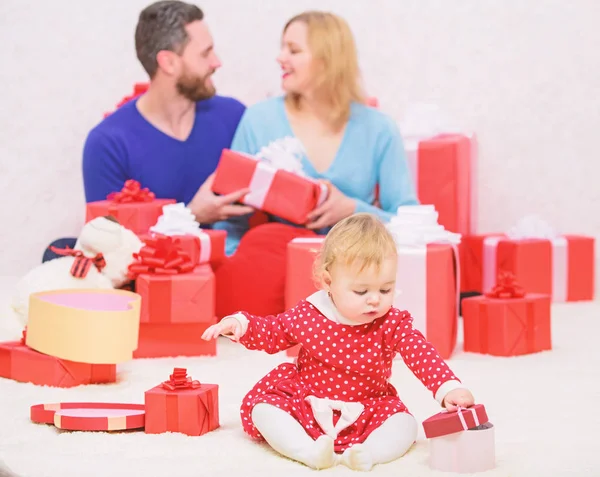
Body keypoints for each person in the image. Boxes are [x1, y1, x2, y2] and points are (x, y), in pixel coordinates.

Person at [203, 213, 475, 471]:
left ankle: (367, 454)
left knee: (405, 425)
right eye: (361, 290)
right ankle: (306, 451)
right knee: (264, 410)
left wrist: (447, 387)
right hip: (305, 401)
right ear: (328, 282)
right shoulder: (310, 314)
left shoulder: (391, 323)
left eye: (385, 289)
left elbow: (421, 354)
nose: (375, 299)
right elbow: (274, 331)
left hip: (369, 405)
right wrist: (241, 325)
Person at [212, 10, 418, 318]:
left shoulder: (379, 129)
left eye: (293, 50)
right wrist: (233, 275)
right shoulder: (258, 120)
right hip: (276, 275)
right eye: (283, 48)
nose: (280, 58)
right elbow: (231, 218)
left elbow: (409, 224)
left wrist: (353, 211)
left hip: (357, 287)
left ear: (327, 58)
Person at [43, 0, 252, 262]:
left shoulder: (234, 116)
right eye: (205, 53)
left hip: (226, 266)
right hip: (150, 276)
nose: (216, 62)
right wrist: (192, 215)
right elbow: (110, 246)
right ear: (169, 63)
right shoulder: (109, 143)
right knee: (58, 251)